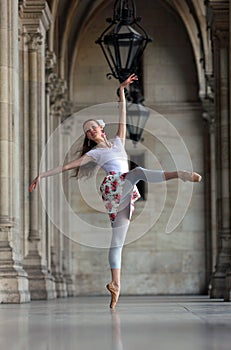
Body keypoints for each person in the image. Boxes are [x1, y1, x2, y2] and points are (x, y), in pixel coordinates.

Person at [29, 73, 202, 309]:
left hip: (124, 190)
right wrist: (41, 175)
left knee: (117, 242)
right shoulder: (93, 154)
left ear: (101, 128)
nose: (91, 131)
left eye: (93, 128)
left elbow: (123, 114)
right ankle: (179, 175)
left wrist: (121, 90)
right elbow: (65, 167)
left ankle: (115, 285)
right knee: (138, 171)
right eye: (87, 131)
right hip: (114, 186)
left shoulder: (118, 141)